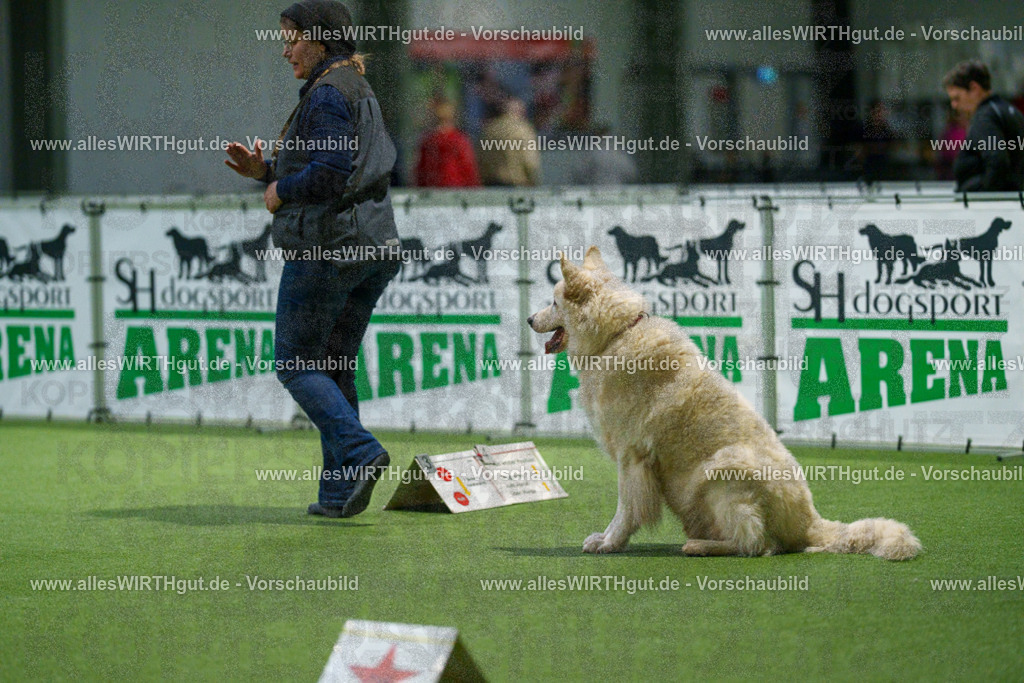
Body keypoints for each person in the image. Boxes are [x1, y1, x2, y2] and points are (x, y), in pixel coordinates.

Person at [224, 0, 399, 518]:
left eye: (291, 37)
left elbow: (326, 175)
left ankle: (361, 450)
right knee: (333, 365)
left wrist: (277, 189)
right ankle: (339, 493)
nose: (285, 50)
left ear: (320, 40)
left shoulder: (325, 94)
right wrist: (265, 169)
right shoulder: (355, 87)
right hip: (373, 247)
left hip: (330, 248)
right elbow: (339, 165)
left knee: (295, 362)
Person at [943, 60, 1024, 192]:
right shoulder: (1009, 110)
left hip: (992, 207)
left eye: (957, 98)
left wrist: (981, 196)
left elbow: (997, 162)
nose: (954, 105)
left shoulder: (985, 117)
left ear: (974, 88)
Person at [414, 98, 480, 187]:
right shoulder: (458, 139)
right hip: (454, 188)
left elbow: (421, 169)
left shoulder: (429, 140)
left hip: (437, 189)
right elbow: (468, 168)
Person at [477, 98, 541, 187]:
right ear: (520, 111)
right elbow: (529, 161)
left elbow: (480, 158)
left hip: (490, 183)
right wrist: (533, 182)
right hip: (515, 184)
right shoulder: (523, 130)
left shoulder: (488, 130)